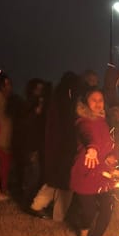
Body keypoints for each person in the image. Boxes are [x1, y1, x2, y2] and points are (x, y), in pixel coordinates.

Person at [29, 71, 81, 221]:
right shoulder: (65, 102)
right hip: (63, 148)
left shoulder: (58, 99)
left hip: (58, 147)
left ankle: (37, 206)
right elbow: (66, 127)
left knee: (56, 181)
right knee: (64, 183)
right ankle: (57, 215)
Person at [71, 89, 118, 236]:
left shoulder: (104, 121)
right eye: (93, 100)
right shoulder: (82, 121)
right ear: (85, 103)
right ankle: (84, 227)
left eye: (101, 100)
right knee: (89, 212)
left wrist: (113, 155)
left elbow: (111, 144)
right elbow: (87, 135)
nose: (98, 103)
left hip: (104, 173)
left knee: (108, 207)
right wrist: (92, 148)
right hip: (86, 173)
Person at [12, 78, 47, 205]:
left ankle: (28, 196)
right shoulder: (28, 105)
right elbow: (24, 124)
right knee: (33, 172)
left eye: (41, 89)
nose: (39, 92)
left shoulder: (38, 104)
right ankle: (27, 198)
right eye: (37, 89)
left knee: (33, 172)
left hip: (35, 143)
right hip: (29, 144)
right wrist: (35, 111)